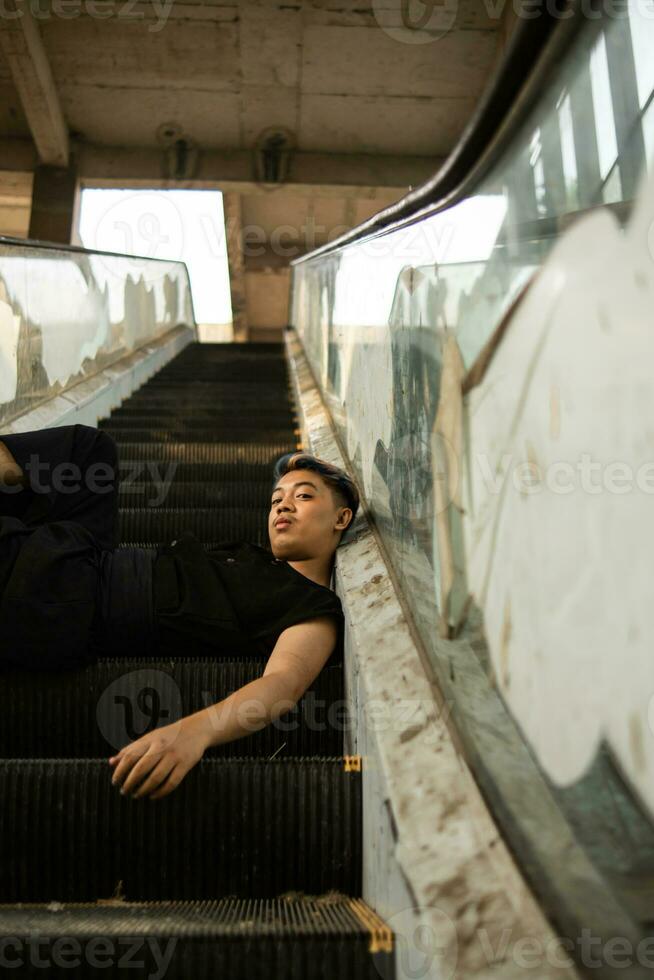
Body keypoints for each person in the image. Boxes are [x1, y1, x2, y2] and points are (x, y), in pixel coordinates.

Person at [0, 424, 359, 800]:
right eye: (275, 500)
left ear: (341, 519)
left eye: (303, 496)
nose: (283, 505)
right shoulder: (258, 561)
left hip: (71, 597)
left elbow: (282, 684)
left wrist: (194, 732)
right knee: (89, 449)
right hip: (85, 554)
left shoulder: (312, 606)